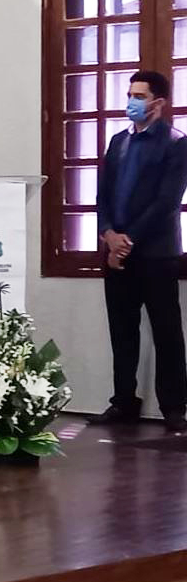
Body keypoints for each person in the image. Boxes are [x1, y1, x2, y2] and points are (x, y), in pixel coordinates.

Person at [91, 70, 187, 434]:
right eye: (130, 94)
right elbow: (102, 195)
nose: (131, 101)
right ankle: (123, 402)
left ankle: (174, 408)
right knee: (122, 331)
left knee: (167, 332)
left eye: (139, 96)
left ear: (158, 103)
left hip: (157, 254)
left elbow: (166, 202)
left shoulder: (176, 143)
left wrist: (126, 240)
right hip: (117, 252)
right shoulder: (118, 141)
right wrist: (108, 234)